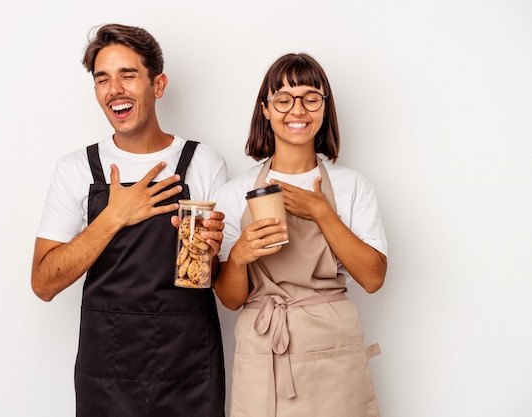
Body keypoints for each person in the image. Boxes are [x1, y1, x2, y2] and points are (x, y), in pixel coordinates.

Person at [31, 23, 227, 417]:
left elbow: (220, 285)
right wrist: (114, 217)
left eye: (128, 75)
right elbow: (44, 283)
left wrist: (214, 252)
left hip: (187, 370)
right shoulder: (76, 169)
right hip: (107, 373)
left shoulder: (202, 162)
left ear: (158, 84)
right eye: (103, 79)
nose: (114, 89)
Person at [213, 53, 388, 417]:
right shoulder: (235, 191)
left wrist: (322, 211)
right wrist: (242, 254)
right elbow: (230, 300)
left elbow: (373, 277)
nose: (298, 110)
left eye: (311, 98)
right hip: (263, 346)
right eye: (283, 99)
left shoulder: (351, 185)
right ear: (266, 109)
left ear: (324, 108)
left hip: (332, 346)